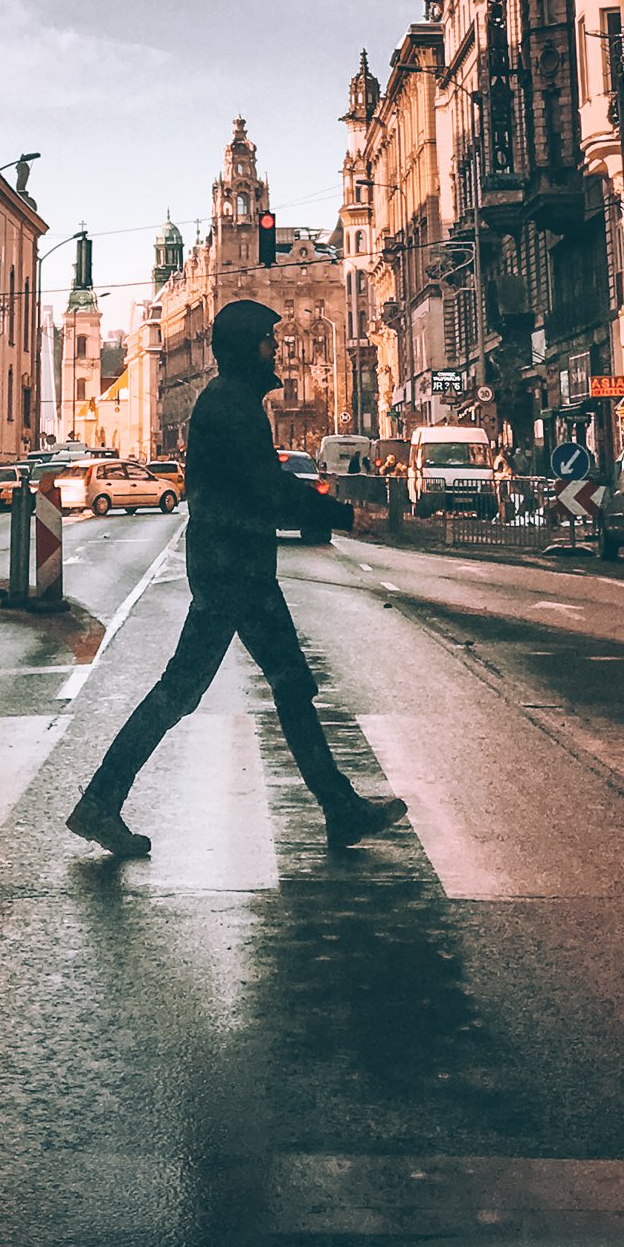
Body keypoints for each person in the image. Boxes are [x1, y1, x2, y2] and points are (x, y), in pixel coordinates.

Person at [67, 299, 410, 860]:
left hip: (236, 566)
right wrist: (345, 516)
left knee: (283, 683)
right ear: (248, 345)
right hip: (234, 572)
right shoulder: (229, 405)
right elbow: (267, 488)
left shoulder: (231, 402)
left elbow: (263, 486)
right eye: (267, 340)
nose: (274, 349)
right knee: (196, 688)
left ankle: (339, 806)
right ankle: (102, 801)